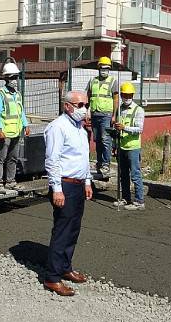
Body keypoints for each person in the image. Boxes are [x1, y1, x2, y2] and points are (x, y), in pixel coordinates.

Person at [43, 90, 93, 296]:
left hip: (79, 184)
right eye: (80, 105)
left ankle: (65, 267)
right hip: (64, 185)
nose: (84, 109)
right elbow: (52, 160)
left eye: (86, 105)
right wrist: (57, 189)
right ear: (67, 106)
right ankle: (52, 277)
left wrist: (88, 181)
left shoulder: (80, 129)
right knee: (62, 230)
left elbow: (83, 158)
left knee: (74, 229)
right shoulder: (57, 127)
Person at [0, 62, 30, 194]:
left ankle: (10, 181)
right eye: (12, 77)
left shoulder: (17, 94)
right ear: (6, 78)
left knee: (13, 158)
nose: (15, 80)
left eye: (16, 77)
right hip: (5, 132)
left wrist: (25, 125)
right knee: (0, 158)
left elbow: (21, 111)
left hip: (16, 131)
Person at [113, 82, 145, 210]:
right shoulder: (120, 109)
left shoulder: (138, 110)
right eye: (124, 95)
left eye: (129, 95)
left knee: (135, 174)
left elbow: (139, 129)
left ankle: (139, 201)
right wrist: (115, 145)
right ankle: (126, 198)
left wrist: (124, 127)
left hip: (133, 147)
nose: (126, 97)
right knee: (123, 174)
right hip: (121, 145)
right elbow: (117, 128)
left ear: (132, 95)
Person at [86, 56, 119, 178]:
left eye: (106, 68)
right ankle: (99, 163)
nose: (104, 70)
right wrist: (87, 110)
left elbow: (116, 99)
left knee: (105, 140)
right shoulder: (92, 81)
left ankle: (106, 164)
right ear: (98, 68)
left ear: (109, 69)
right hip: (95, 114)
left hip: (106, 115)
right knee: (97, 140)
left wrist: (114, 115)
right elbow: (88, 96)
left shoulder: (112, 81)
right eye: (102, 68)